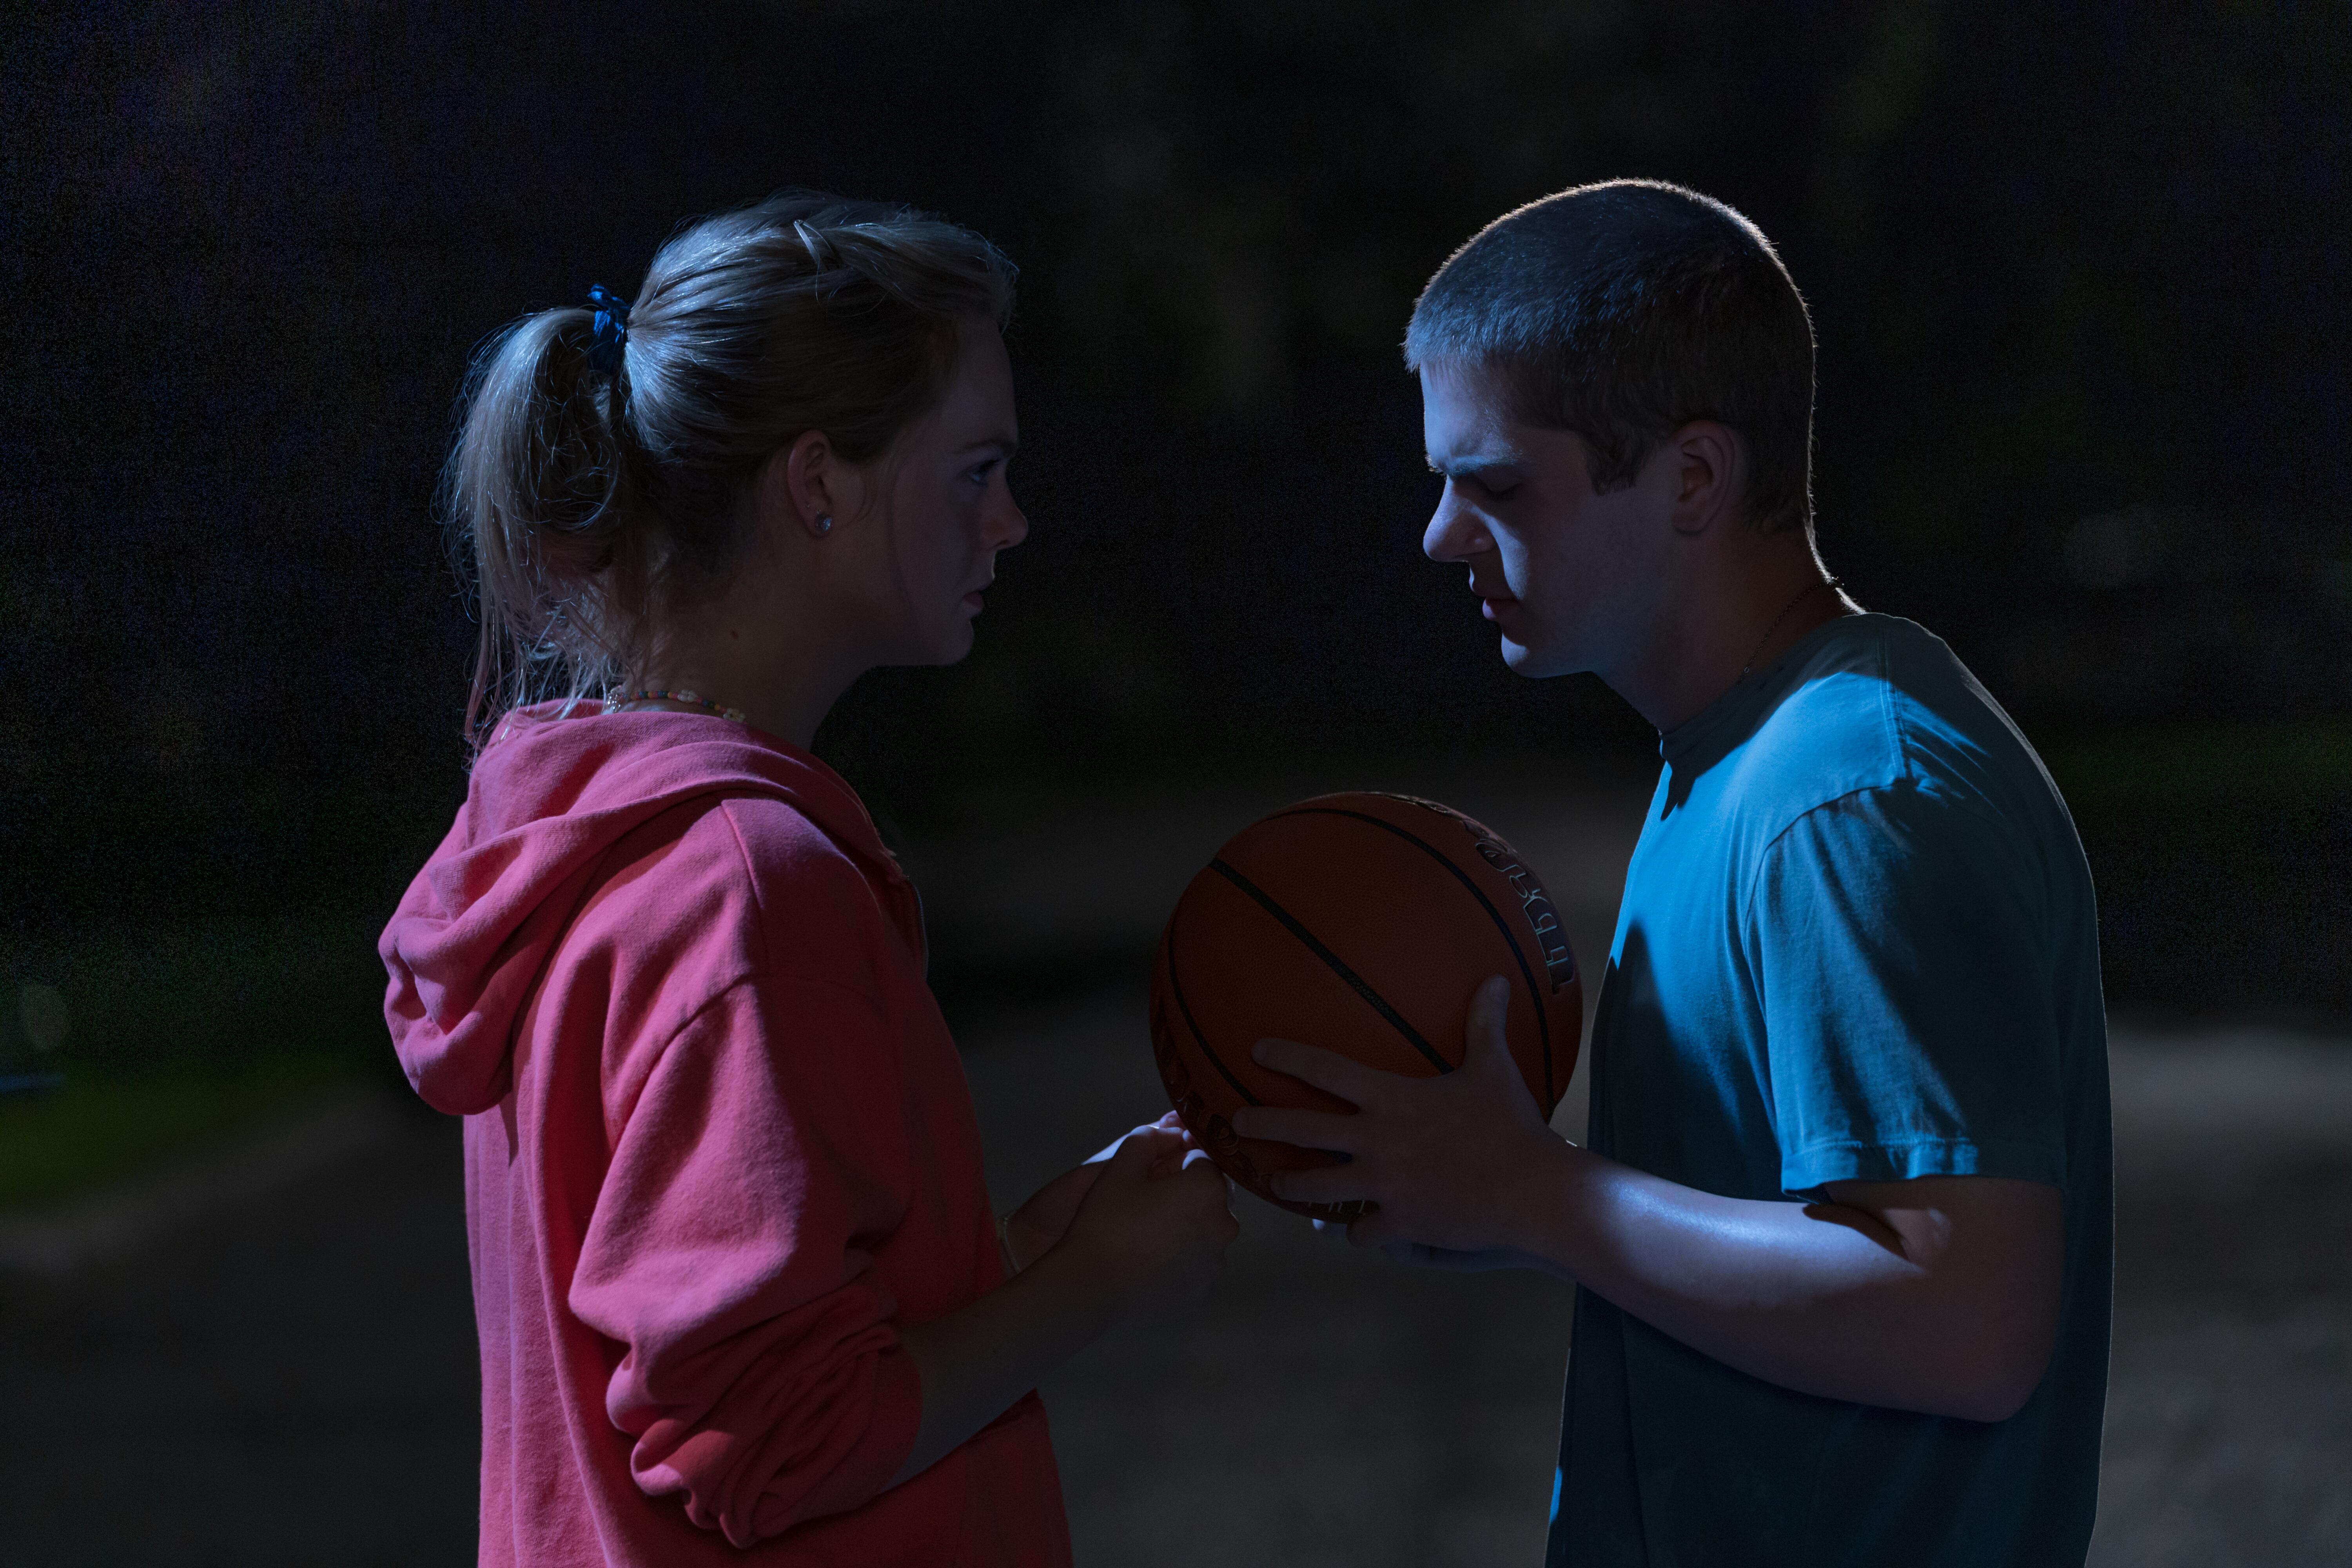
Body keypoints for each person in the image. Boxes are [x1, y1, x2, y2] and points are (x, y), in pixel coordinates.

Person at [1233, 180, 2111, 1565]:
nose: (1440, 537)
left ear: (1693, 477)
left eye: (1497, 485)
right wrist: (1490, 1200)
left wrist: (1538, 1195)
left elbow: (1970, 1319)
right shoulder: (1741, 751)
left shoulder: (1845, 795)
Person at [379, 192, 1238, 1567]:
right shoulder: (747, 889)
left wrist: (999, 1257)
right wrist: (1097, 1288)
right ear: (820, 484)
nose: (1011, 522)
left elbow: (722, 1331)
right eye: (975, 469)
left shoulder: (582, 842)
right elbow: (768, 1440)